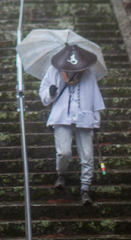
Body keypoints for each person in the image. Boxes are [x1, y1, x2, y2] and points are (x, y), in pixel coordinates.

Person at [39, 43, 105, 205]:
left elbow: (95, 97)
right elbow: (44, 94)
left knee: (87, 156)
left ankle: (85, 189)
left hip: (85, 118)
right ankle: (61, 173)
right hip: (62, 117)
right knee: (63, 152)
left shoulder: (88, 73)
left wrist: (96, 120)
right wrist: (51, 92)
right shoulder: (54, 71)